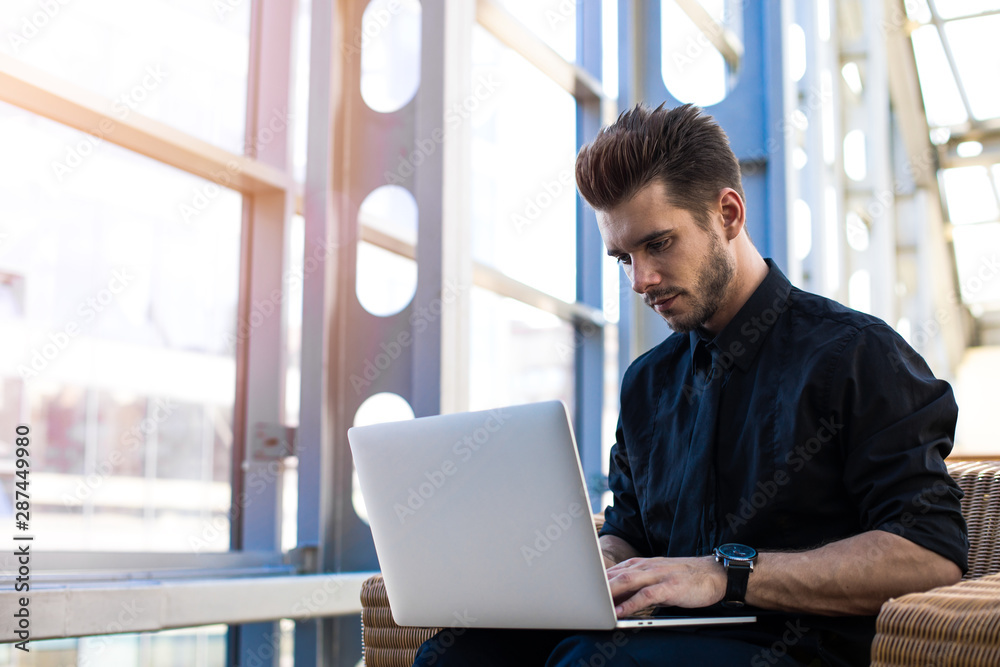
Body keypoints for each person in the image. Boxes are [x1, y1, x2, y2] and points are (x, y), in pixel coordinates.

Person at [412, 103, 968, 666]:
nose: (640, 280)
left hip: (795, 647)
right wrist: (597, 564)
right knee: (454, 656)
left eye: (658, 244)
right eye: (623, 256)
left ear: (728, 213)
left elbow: (930, 553)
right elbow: (627, 530)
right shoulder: (646, 382)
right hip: (660, 634)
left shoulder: (857, 354)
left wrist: (727, 575)